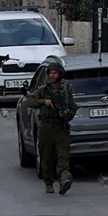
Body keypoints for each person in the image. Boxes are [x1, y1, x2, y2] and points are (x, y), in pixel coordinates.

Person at [19, 62, 78, 194]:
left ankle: (64, 179)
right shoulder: (43, 90)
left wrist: (68, 115)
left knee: (63, 156)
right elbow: (27, 102)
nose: (52, 75)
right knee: (46, 156)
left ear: (60, 75)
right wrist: (42, 102)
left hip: (61, 126)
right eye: (50, 73)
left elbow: (73, 107)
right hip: (46, 127)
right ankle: (49, 182)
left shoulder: (66, 91)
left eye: (55, 73)